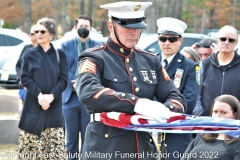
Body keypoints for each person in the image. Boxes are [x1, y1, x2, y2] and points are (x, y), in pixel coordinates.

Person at [75, 1, 187, 160]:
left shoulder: (150, 60)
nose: (134, 33)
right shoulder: (95, 57)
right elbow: (87, 91)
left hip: (143, 148)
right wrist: (138, 104)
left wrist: (164, 110)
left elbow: (177, 98)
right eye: (127, 27)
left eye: (138, 27)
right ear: (110, 25)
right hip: (106, 149)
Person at [18, 17, 68, 159]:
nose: (38, 34)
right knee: (31, 153)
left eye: (42, 31)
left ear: (51, 35)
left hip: (54, 108)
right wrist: (40, 96)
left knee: (54, 153)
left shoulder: (60, 55)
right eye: (36, 31)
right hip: (33, 105)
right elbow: (25, 78)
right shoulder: (30, 54)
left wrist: (51, 96)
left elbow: (63, 80)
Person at [154, 17, 200, 160]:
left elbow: (189, 102)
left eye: (172, 39)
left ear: (181, 40)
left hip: (176, 134)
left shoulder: (191, 67)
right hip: (148, 132)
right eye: (163, 38)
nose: (167, 43)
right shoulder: (149, 63)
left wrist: (156, 111)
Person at [61, 15, 101, 159]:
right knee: (71, 138)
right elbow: (62, 70)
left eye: (86, 26)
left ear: (91, 28)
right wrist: (73, 81)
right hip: (69, 96)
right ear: (75, 28)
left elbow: (101, 70)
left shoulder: (98, 47)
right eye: (81, 26)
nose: (83, 29)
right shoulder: (65, 46)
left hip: (89, 98)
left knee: (88, 136)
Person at [194, 25, 240, 117]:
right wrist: (200, 114)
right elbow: (196, 93)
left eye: (231, 40)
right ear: (217, 40)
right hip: (207, 122)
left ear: (236, 43)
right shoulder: (204, 65)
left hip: (235, 125)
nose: (226, 42)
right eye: (223, 39)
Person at [181, 94, 240, 160]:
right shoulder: (200, 138)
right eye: (215, 112)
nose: (217, 116)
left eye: (223, 112)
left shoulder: (237, 144)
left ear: (235, 115)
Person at [16, 24, 38, 104]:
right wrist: (20, 77)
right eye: (29, 33)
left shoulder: (43, 50)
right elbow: (18, 65)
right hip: (24, 86)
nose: (29, 35)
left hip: (36, 88)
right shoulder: (26, 48)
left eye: (32, 34)